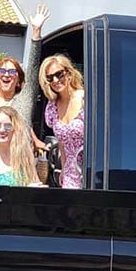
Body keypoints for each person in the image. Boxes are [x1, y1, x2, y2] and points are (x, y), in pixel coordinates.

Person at [0, 5, 49, 125]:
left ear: (18, 79)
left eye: (12, 72)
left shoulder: (25, 98)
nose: (6, 75)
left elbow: (33, 68)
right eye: (2, 71)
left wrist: (36, 32)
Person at [40, 54, 85, 189]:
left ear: (69, 73)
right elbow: (61, 141)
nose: (55, 80)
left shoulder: (85, 99)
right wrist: (64, 168)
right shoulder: (52, 106)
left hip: (89, 168)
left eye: (59, 74)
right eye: (50, 78)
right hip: (70, 172)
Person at [0, 106, 44, 187]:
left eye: (8, 126)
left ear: (15, 128)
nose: (2, 130)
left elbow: (35, 182)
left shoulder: (24, 154)